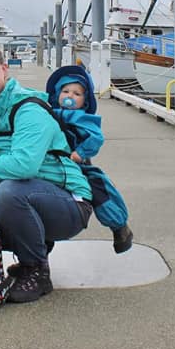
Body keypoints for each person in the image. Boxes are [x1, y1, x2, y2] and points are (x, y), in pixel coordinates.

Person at [0, 43, 94, 304]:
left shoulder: (29, 109)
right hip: (29, 196)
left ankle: (36, 270)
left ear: (3, 69)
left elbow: (25, 165)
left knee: (9, 192)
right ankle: (31, 249)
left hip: (68, 203)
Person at [46, 64, 133, 253]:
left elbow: (96, 138)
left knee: (100, 190)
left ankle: (119, 225)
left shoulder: (83, 118)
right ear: (56, 94)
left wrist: (80, 153)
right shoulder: (47, 113)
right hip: (52, 164)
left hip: (78, 165)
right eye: (65, 91)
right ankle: (39, 253)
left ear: (85, 100)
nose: (70, 96)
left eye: (77, 94)